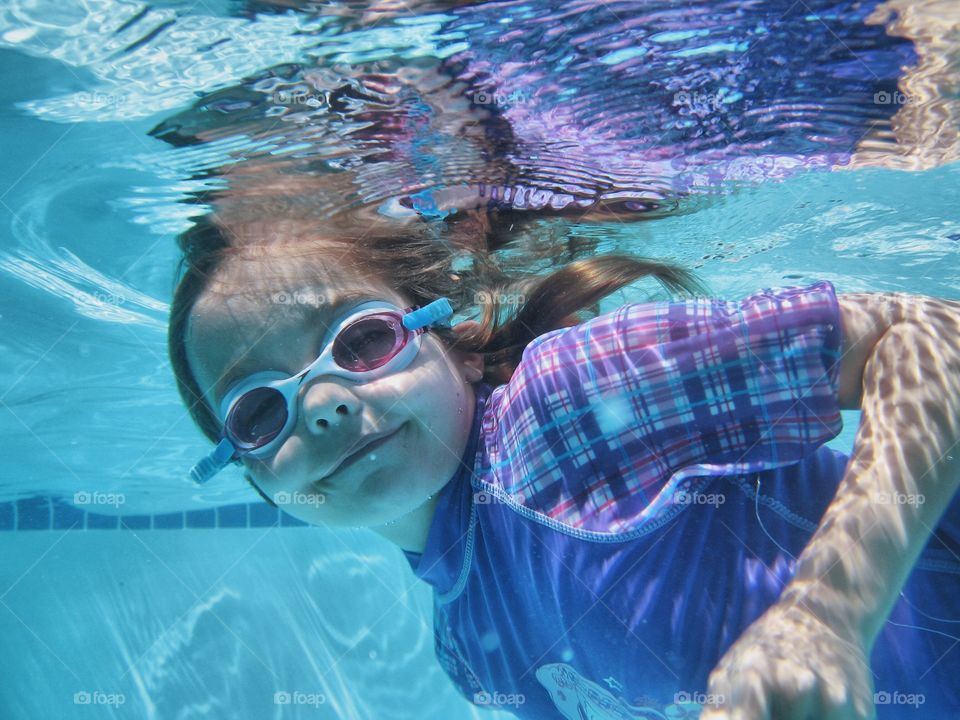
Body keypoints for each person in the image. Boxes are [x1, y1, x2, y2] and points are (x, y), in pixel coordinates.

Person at [168, 215, 960, 719]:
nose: (323, 405)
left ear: (452, 343)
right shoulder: (469, 653)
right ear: (255, 477)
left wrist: (827, 615)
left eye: (364, 340)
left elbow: (932, 335)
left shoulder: (566, 403)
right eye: (258, 411)